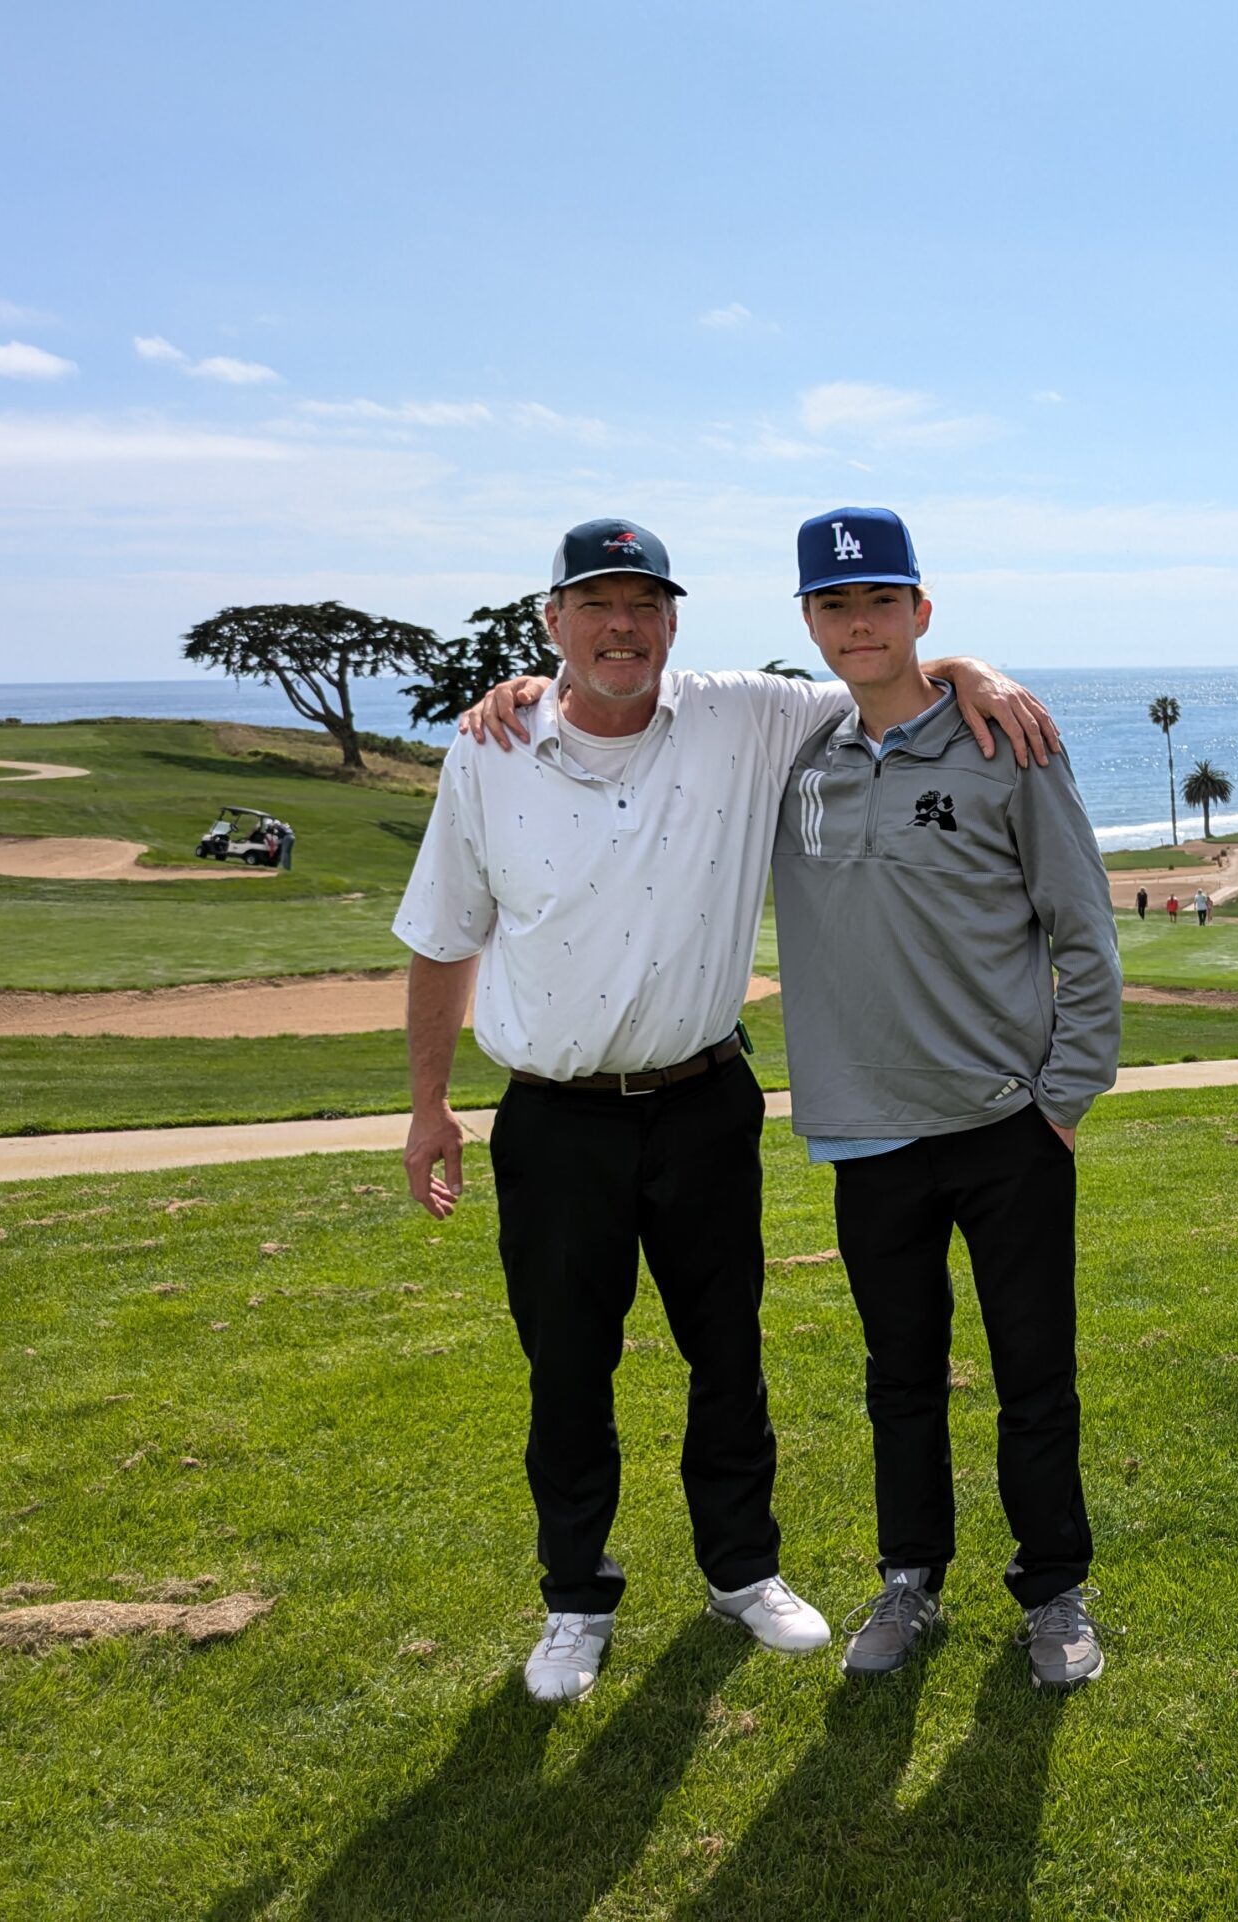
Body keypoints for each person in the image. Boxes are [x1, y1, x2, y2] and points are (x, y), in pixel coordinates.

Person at [400, 517, 1054, 1704]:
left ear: (673, 622)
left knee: (728, 1351)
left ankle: (742, 1572)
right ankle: (573, 1600)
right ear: (550, 622)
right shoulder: (488, 750)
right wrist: (429, 1105)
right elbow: (445, 936)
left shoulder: (740, 712)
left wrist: (974, 672)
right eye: (594, 605)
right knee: (565, 1367)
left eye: (644, 606)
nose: (621, 628)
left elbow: (883, 677)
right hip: (552, 1115)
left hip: (702, 1099)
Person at [767, 507, 1120, 1690]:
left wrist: (1061, 1097)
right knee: (899, 1378)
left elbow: (1083, 927)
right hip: (865, 1132)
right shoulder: (790, 755)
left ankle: (1054, 1591)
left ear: (922, 610)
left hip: (1004, 1126)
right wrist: (525, 683)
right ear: (808, 621)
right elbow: (641, 702)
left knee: (1035, 1374)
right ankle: (908, 1580)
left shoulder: (1004, 742)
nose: (857, 624)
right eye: (834, 605)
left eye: (881, 603)